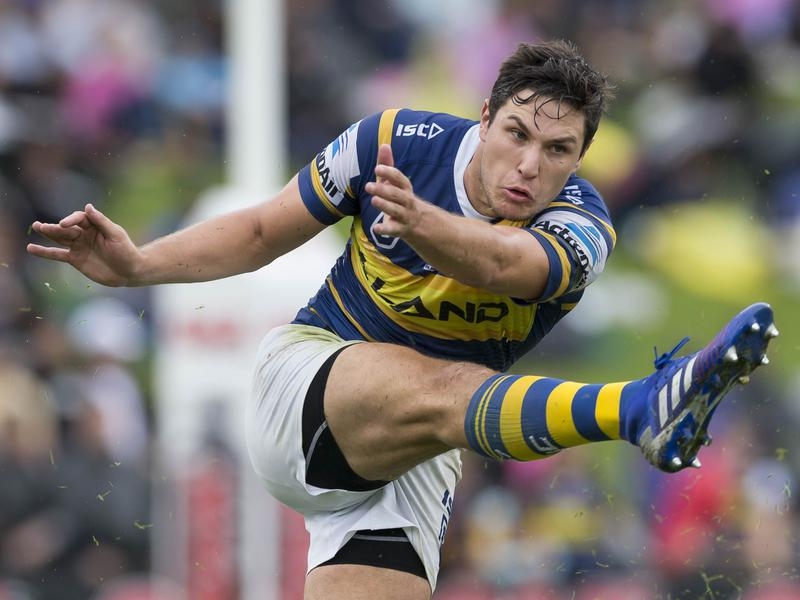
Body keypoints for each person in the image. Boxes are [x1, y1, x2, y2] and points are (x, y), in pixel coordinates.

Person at [26, 40, 777, 599]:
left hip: (414, 458)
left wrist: (424, 225)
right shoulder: (392, 144)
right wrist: (139, 266)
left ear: (578, 159)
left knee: (445, 392)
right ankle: (639, 408)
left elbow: (506, 267)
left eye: (558, 151)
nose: (529, 166)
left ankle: (643, 410)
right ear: (485, 118)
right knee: (447, 382)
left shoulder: (584, 224)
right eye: (517, 134)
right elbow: (259, 231)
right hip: (307, 388)